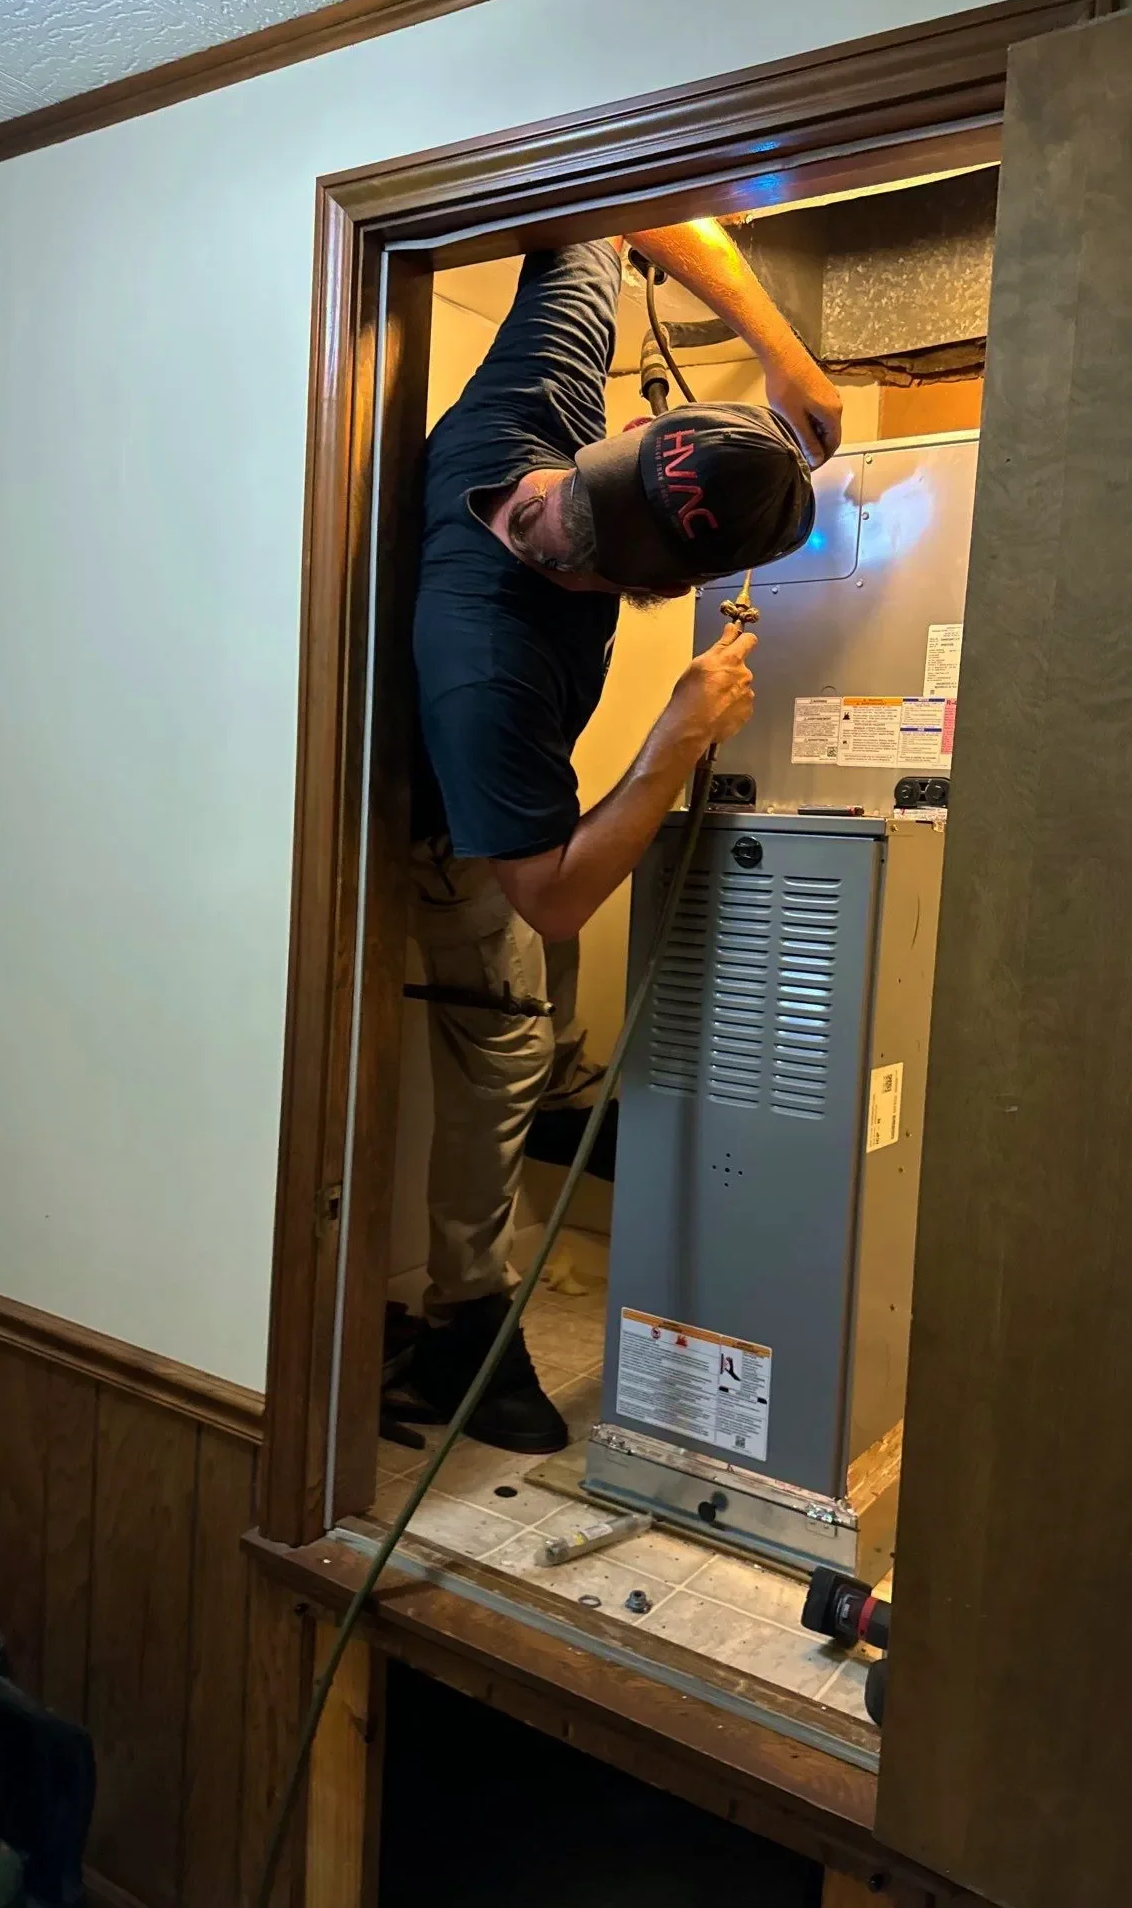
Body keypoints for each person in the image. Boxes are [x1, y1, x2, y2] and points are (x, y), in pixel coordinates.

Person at [407, 218, 842, 1452]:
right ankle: (462, 1325)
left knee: (546, 988)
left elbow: (610, 209)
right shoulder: (486, 662)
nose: (539, 515)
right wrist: (677, 739)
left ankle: (560, 1081)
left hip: (517, 787)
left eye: (584, 532)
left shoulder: (538, 402)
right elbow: (548, 892)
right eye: (569, 504)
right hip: (450, 824)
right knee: (498, 1031)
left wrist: (783, 350)